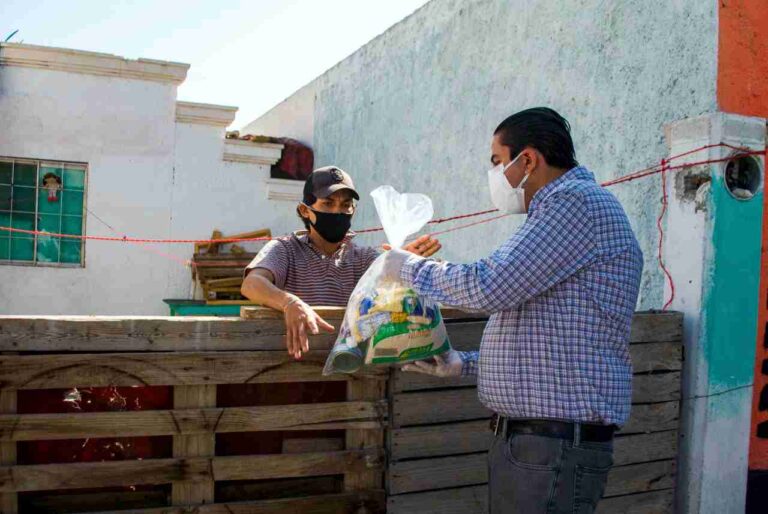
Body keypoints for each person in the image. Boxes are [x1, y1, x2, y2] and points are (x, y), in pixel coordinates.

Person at [383, 107, 644, 513]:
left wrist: (406, 267)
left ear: (528, 160)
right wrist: (465, 364)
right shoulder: (563, 211)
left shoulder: (574, 204)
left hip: (551, 447)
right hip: (539, 445)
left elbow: (490, 286)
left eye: (496, 162)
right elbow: (548, 340)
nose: (493, 175)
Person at [241, 165, 440, 359]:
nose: (338, 211)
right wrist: (290, 303)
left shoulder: (361, 258)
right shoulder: (285, 249)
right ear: (304, 210)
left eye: (345, 205)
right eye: (328, 203)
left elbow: (386, 281)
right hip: (296, 362)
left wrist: (401, 263)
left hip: (347, 366)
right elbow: (252, 284)